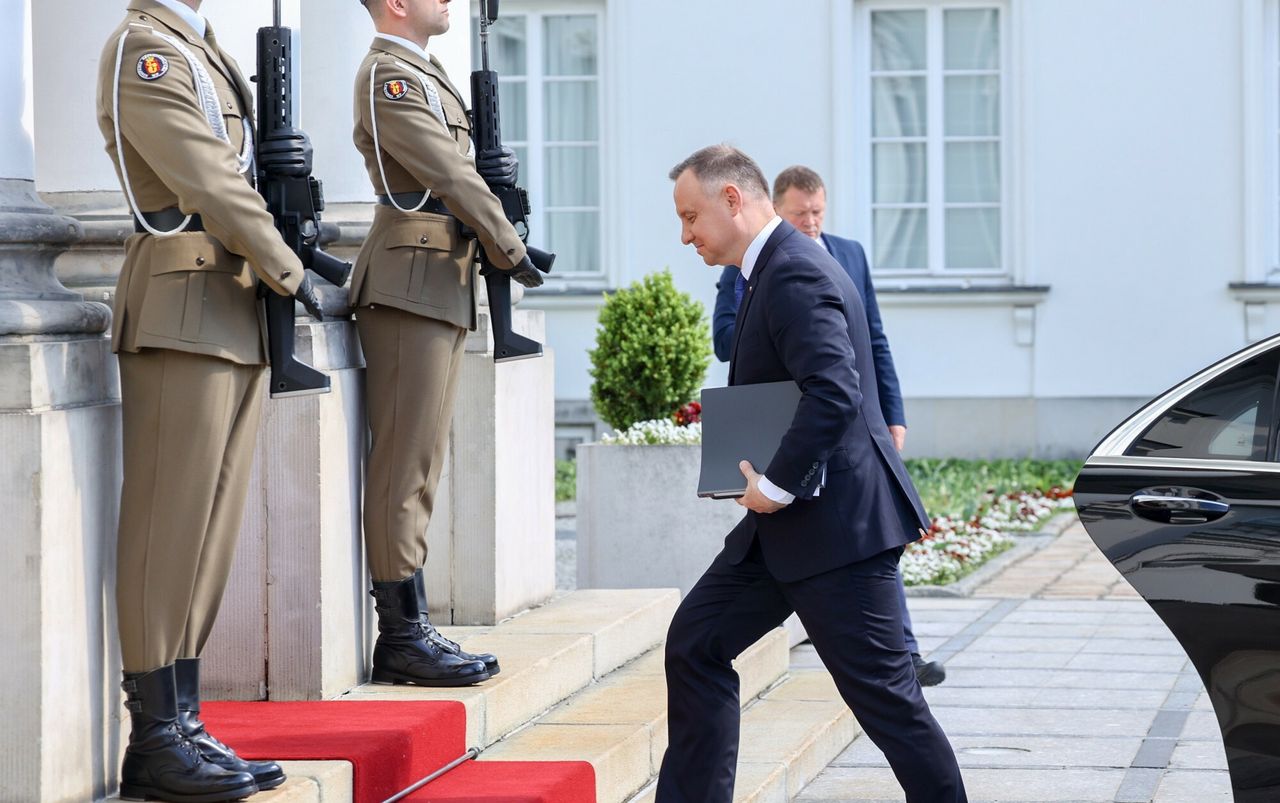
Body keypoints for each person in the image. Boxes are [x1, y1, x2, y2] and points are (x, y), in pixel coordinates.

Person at [659, 145, 966, 803]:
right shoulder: (766, 269)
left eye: (691, 217)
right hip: (787, 533)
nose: (687, 234)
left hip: (838, 534)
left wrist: (772, 485)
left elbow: (834, 390)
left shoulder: (795, 272)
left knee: (890, 705)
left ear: (733, 199)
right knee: (695, 645)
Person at [97, 0, 323, 799]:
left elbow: (241, 171)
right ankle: (154, 738)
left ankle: (185, 720)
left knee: (210, 535)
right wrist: (289, 264)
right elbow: (207, 178)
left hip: (230, 310)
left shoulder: (203, 47)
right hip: (185, 307)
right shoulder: (145, 51)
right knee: (168, 532)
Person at [351, 0, 543, 686]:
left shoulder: (426, 74)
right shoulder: (388, 77)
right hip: (410, 282)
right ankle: (401, 633)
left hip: (437, 279)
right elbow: (451, 176)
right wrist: (507, 241)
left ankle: (412, 624)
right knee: (405, 465)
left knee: (422, 464)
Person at [712, 165, 945, 687]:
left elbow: (859, 360)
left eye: (818, 212)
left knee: (885, 689)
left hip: (834, 498)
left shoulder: (830, 259)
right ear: (778, 208)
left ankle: (903, 653)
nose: (812, 222)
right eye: (803, 214)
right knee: (695, 645)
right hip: (795, 506)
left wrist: (892, 414)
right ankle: (898, 656)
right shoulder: (745, 267)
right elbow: (730, 342)